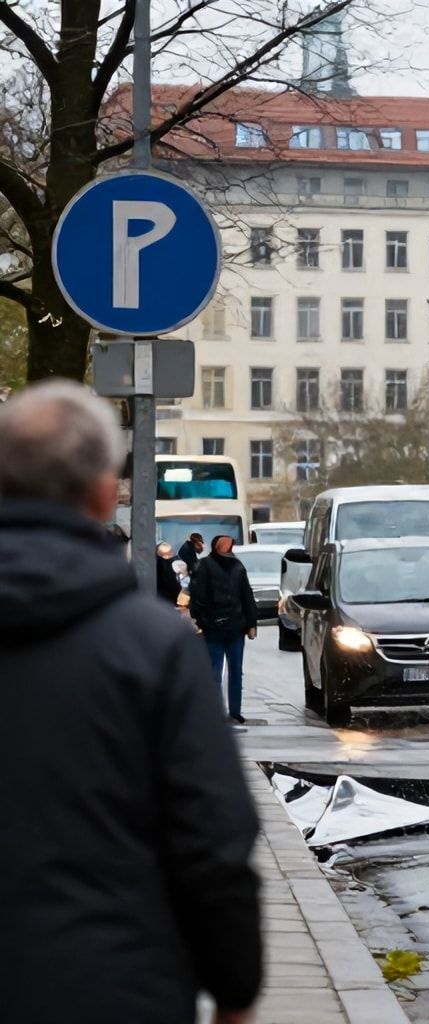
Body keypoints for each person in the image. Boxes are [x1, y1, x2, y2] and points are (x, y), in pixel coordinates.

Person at [0, 380, 261, 1024]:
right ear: (103, 491)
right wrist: (234, 991)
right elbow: (212, 839)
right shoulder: (153, 645)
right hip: (116, 984)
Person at [188, 534, 259, 724]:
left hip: (235, 627)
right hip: (214, 628)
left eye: (230, 544)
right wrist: (202, 621)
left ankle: (234, 712)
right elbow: (197, 596)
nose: (229, 547)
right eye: (225, 544)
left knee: (235, 671)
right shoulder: (204, 566)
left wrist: (251, 623)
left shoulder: (237, 566)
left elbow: (246, 595)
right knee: (214, 672)